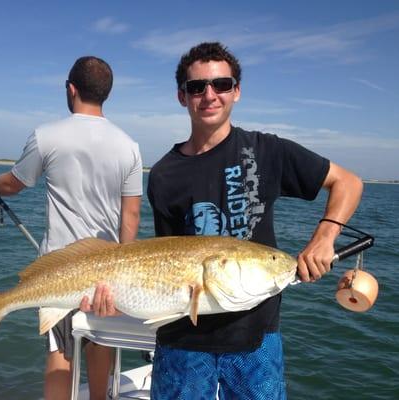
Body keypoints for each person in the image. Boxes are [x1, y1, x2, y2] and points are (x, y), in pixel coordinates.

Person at [145, 42, 363, 399]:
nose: (210, 95)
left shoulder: (267, 151)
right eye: (197, 87)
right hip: (183, 338)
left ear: (237, 92)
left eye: (222, 85)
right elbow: (165, 259)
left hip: (256, 336)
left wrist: (325, 237)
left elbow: (348, 183)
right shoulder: (163, 174)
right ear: (182, 96)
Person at [0, 56, 143, 400]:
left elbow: (13, 184)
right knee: (101, 344)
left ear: (71, 88)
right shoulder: (130, 146)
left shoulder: (47, 136)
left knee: (60, 353)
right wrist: (128, 268)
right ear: (106, 93)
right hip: (109, 271)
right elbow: (131, 217)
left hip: (59, 268)